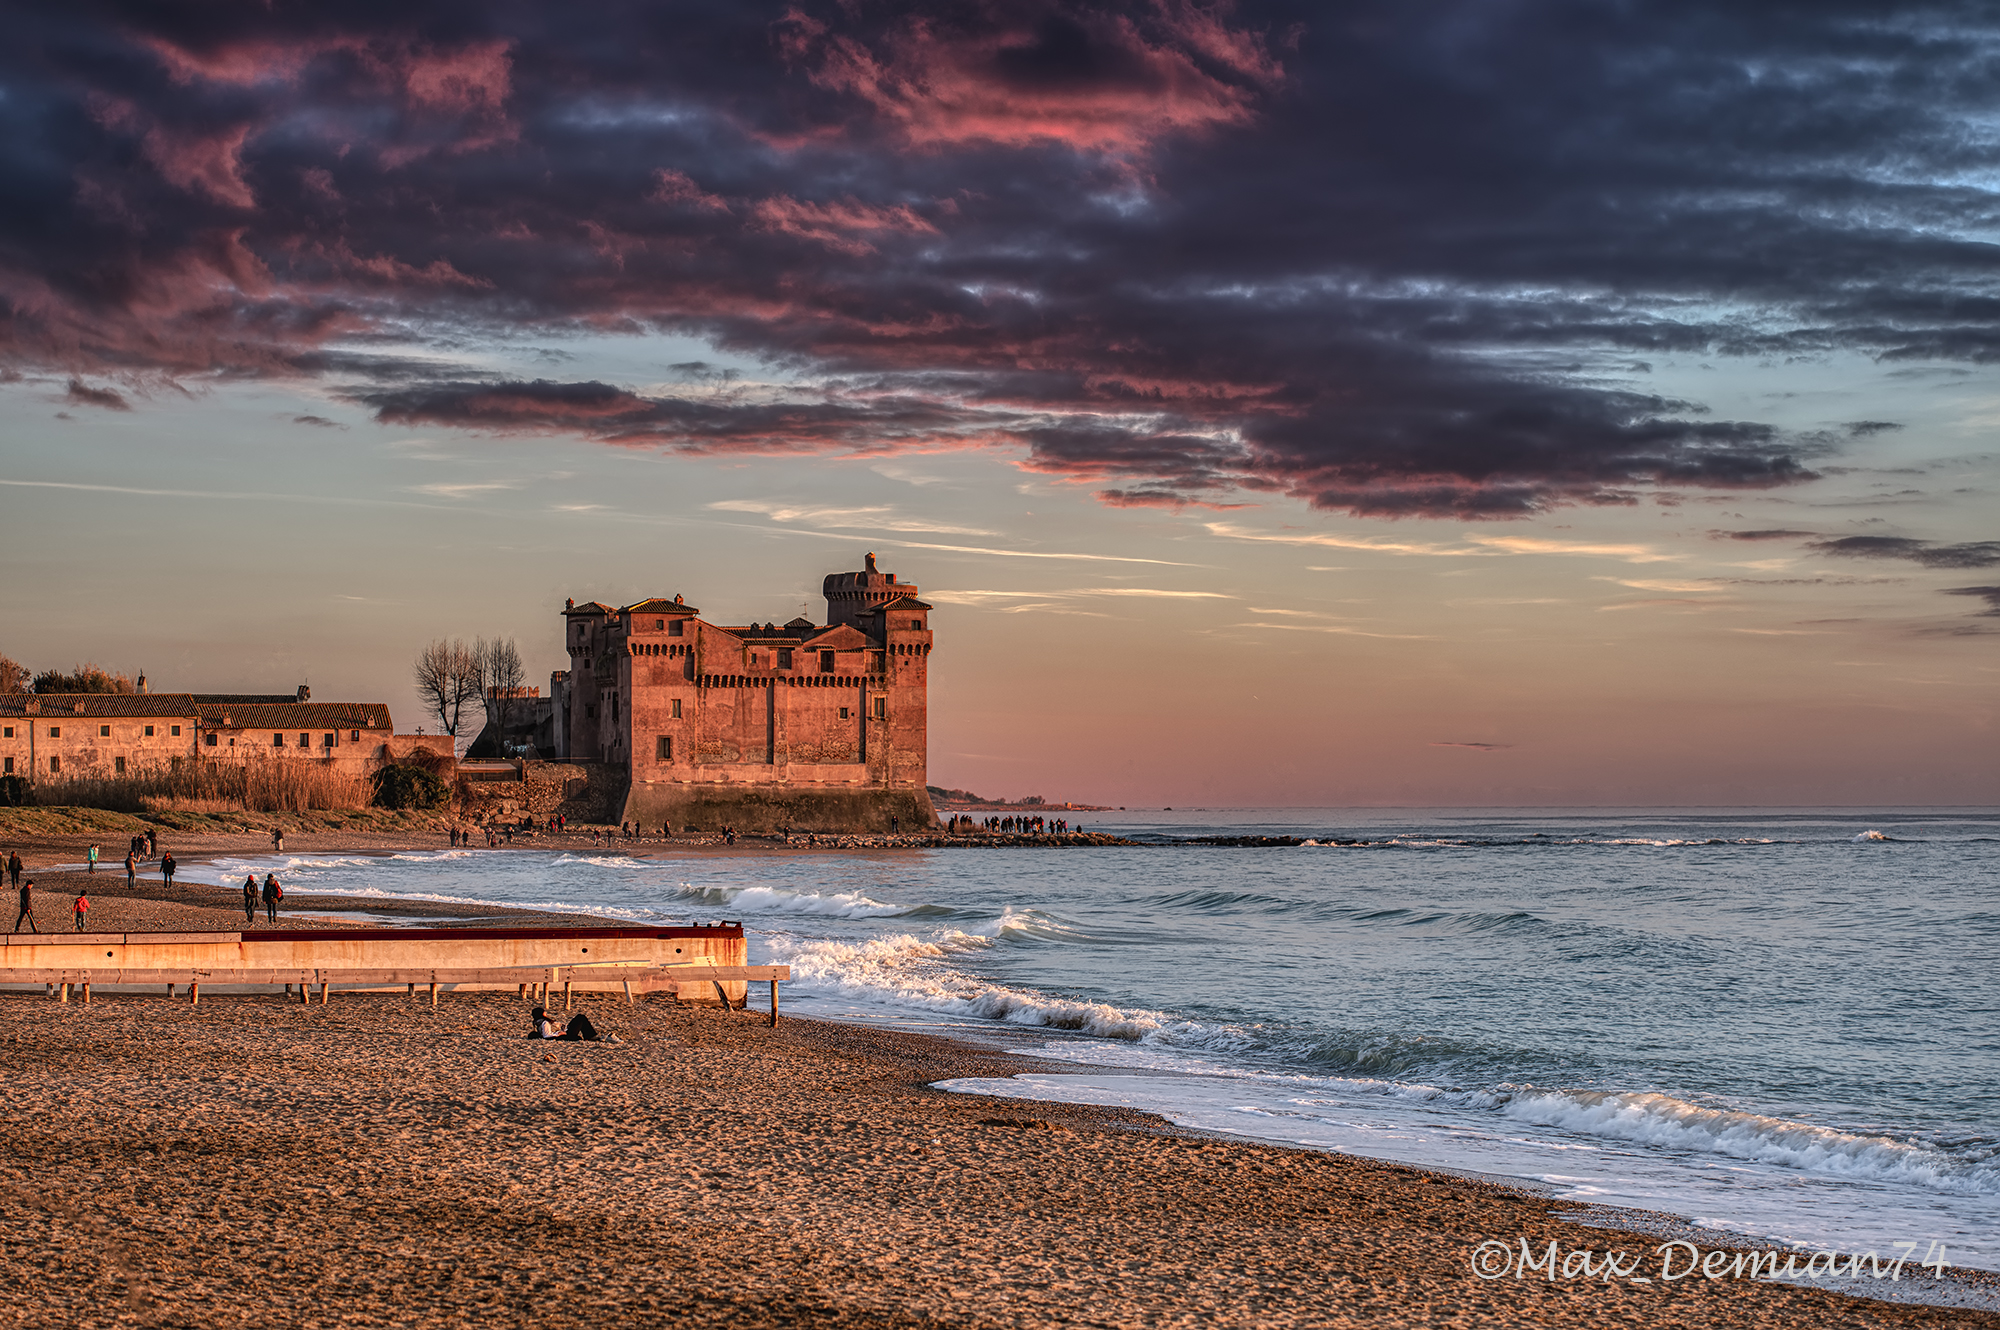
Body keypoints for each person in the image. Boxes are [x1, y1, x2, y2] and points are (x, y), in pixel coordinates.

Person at [527, 1005, 603, 1041]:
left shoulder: (539, 1022)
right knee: (580, 1018)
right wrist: (559, 1034)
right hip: (565, 1034)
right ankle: (591, 1036)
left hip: (564, 1031)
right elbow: (547, 1036)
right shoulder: (544, 1023)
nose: (546, 1013)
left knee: (579, 1019)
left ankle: (590, 1036)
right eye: (544, 1012)